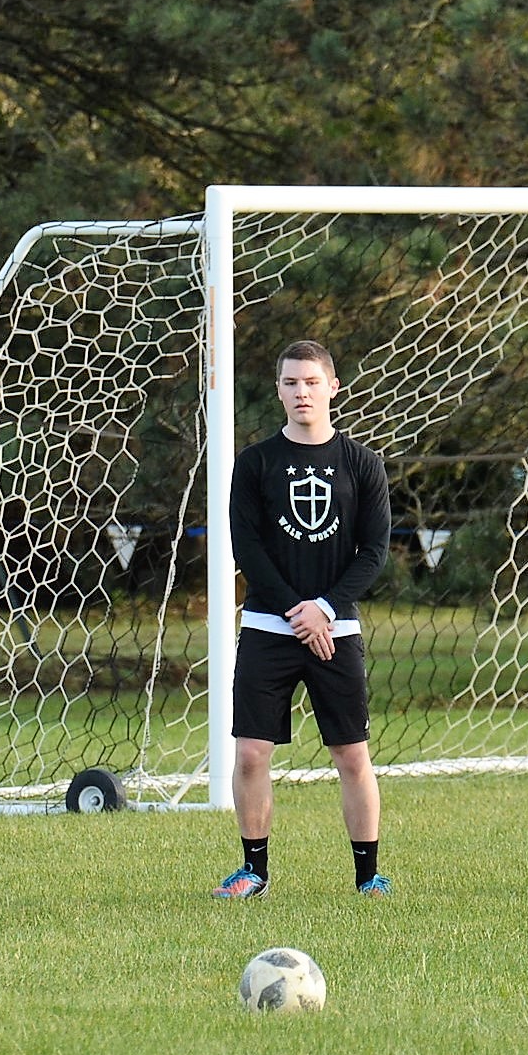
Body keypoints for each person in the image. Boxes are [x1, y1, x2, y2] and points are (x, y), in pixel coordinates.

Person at [210, 339, 392, 899]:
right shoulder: (256, 462)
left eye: (311, 382)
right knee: (249, 753)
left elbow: (374, 550)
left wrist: (326, 609)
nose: (301, 392)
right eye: (291, 383)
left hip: (335, 630)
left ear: (332, 387)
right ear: (279, 391)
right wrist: (297, 611)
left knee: (351, 754)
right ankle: (254, 872)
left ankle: (368, 877)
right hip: (270, 627)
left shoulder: (362, 464)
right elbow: (248, 548)